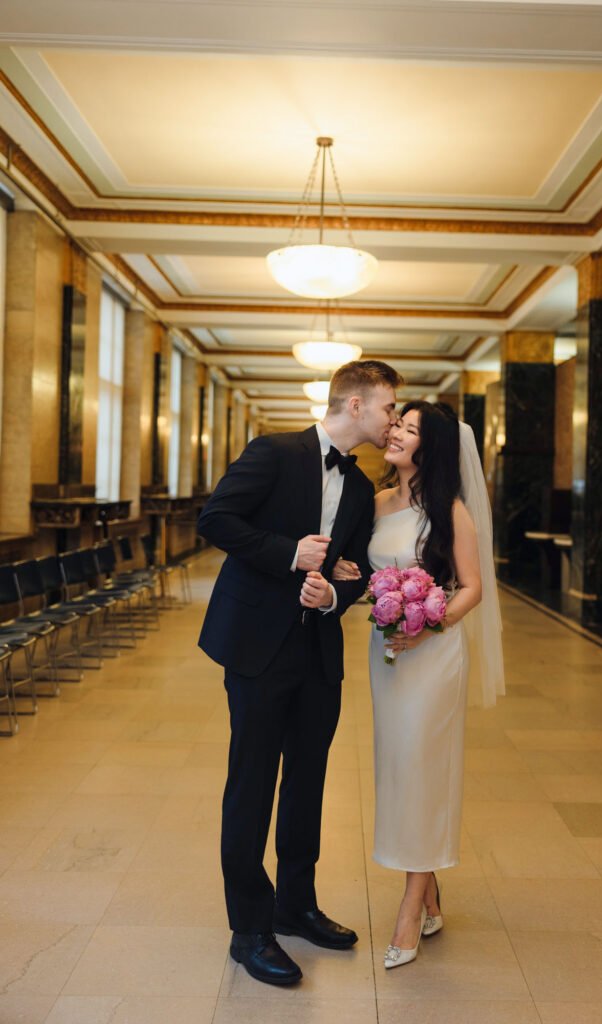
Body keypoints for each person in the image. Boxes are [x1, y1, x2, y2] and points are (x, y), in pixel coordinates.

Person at [197, 359, 403, 987]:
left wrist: (335, 595)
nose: (394, 418)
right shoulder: (274, 451)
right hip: (257, 646)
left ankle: (296, 903)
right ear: (359, 405)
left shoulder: (364, 490)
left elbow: (359, 574)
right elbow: (216, 520)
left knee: (308, 781)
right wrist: (289, 554)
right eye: (390, 406)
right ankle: (250, 928)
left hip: (317, 654)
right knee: (253, 782)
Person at [333, 401, 504, 969]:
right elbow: (362, 566)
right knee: (398, 766)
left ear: (430, 446)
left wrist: (429, 625)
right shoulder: (379, 502)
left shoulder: (452, 511)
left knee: (425, 769)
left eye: (409, 429)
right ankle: (430, 894)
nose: (396, 433)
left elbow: (472, 587)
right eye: (397, 424)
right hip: (388, 655)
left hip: (432, 657)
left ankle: (411, 905)